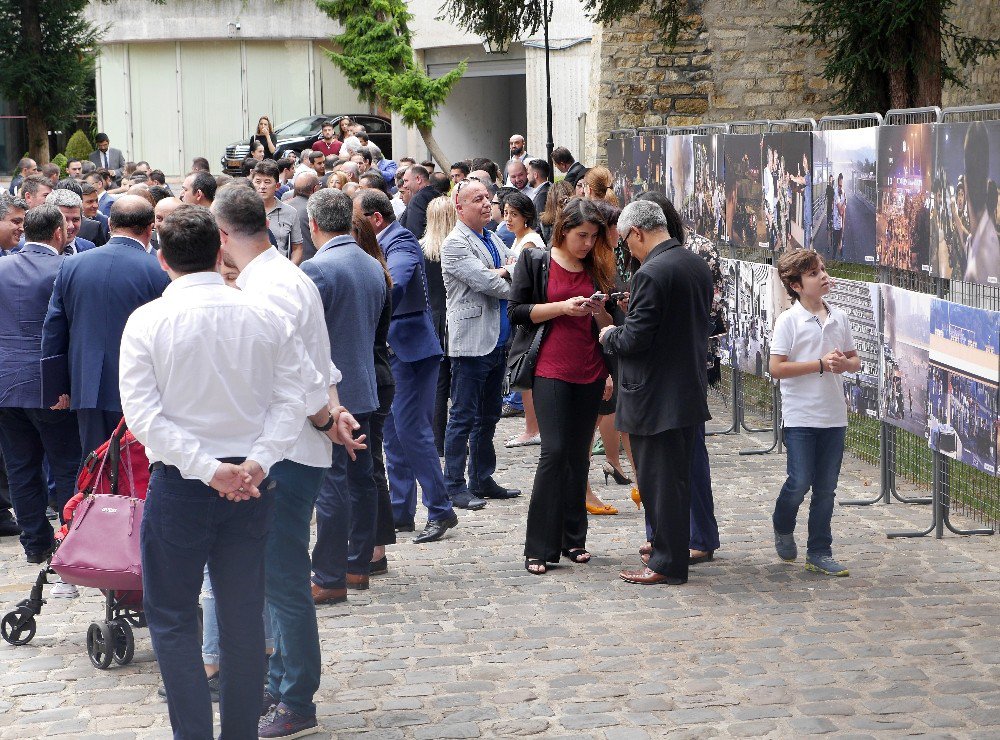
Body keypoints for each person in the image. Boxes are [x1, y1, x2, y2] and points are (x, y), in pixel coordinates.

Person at [119, 205, 305, 740]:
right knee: (242, 616)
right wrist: (252, 464)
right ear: (221, 251)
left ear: (162, 260)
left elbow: (143, 416)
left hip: (189, 484)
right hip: (245, 481)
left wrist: (215, 468)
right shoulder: (264, 315)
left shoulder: (147, 320)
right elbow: (291, 399)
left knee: (176, 619)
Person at [211, 187, 359, 737]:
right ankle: (281, 684)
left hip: (288, 450)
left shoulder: (270, 286)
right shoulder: (285, 276)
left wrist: (326, 418)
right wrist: (334, 413)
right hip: (292, 445)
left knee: (282, 578)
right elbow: (320, 362)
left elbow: (300, 372)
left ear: (224, 235)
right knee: (276, 578)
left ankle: (296, 698)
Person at [599, 199, 713, 586]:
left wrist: (608, 334)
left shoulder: (651, 273)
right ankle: (670, 547)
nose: (627, 250)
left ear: (637, 233)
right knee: (675, 480)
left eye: (626, 242)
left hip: (655, 393)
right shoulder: (693, 262)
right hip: (685, 387)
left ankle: (666, 561)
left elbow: (635, 339)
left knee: (660, 483)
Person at [510, 198, 616, 574]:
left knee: (576, 456)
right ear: (563, 230)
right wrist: (562, 307)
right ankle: (538, 546)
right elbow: (517, 312)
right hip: (550, 368)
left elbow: (609, 322)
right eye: (581, 235)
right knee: (553, 453)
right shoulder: (535, 260)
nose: (587, 243)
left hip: (590, 367)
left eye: (593, 237)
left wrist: (599, 308)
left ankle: (574, 539)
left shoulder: (597, 265)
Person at [356, 189, 460, 543]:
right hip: (400, 349)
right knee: (395, 436)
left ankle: (441, 509)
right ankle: (401, 509)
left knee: (413, 432)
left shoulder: (399, 240)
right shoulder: (381, 241)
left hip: (411, 350)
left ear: (375, 219)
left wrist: (368, 312)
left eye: (358, 221)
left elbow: (396, 282)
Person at [302, 190, 387, 604]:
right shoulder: (372, 264)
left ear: (314, 225)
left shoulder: (318, 269)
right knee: (361, 480)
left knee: (335, 483)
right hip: (364, 385)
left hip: (334, 392)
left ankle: (331, 574)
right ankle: (356, 565)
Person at [42, 195, 169, 456]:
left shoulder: (73, 265)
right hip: (142, 386)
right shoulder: (159, 270)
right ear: (149, 228)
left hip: (86, 385)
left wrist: (56, 386)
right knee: (136, 469)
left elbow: (54, 328)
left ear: (109, 223)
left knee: (94, 469)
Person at [637, 191, 721, 564]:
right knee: (661, 458)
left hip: (685, 363)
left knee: (685, 456)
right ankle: (664, 536)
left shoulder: (694, 252)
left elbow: (714, 308)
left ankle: (695, 536)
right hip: (674, 362)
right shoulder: (671, 253)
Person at [0, 204, 82, 570]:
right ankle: (70, 538)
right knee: (66, 466)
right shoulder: (65, 267)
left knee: (20, 468)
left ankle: (35, 543)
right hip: (50, 386)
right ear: (59, 233)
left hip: (6, 385)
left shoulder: (2, 268)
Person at [769, 249, 858, 577]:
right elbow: (776, 368)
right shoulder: (789, 321)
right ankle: (782, 521)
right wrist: (820, 364)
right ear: (795, 285)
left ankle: (819, 551)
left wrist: (843, 364)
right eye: (812, 273)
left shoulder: (840, 317)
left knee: (826, 489)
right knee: (800, 480)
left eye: (822, 269)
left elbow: (854, 360)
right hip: (801, 417)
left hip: (834, 416)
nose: (823, 275)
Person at [441, 179, 521, 509]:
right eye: (478, 199)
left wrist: (507, 271)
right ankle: (454, 485)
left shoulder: (492, 238)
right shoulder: (455, 244)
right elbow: (489, 283)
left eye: (488, 198)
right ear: (460, 207)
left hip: (498, 341)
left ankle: (481, 478)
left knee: (488, 417)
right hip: (472, 344)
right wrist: (507, 273)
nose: (487, 204)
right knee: (462, 417)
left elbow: (520, 268)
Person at [350, 216, 396, 573]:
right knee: (370, 463)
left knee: (371, 464)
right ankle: (373, 545)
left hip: (373, 375)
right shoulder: (376, 273)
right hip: (377, 373)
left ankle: (375, 548)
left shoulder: (370, 276)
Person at [501, 192, 544, 449]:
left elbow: (521, 277)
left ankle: (532, 428)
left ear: (526, 216)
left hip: (528, 311)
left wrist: (501, 273)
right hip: (522, 309)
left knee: (526, 370)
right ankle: (531, 427)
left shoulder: (530, 242)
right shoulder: (520, 240)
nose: (508, 218)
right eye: (506, 213)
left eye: (513, 214)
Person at [421, 196, 456, 457]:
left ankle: (437, 439)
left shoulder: (421, 250)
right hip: (455, 318)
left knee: (438, 383)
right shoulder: (458, 248)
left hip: (432, 319)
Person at [252, 160, 303, 263]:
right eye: (258, 182)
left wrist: (289, 269)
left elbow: (297, 248)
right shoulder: (244, 212)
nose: (262, 186)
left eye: (267, 182)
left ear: (277, 186)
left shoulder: (290, 212)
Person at [399, 165, 440, 240]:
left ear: (418, 179)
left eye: (406, 181)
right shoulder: (438, 195)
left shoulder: (417, 200)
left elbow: (415, 233)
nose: (404, 185)